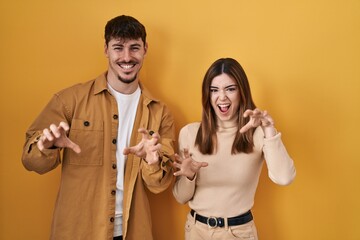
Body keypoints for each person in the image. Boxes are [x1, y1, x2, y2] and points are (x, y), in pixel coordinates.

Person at [21, 15, 175, 240]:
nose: (126, 57)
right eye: (118, 48)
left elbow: (159, 185)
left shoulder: (160, 113)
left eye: (134, 48)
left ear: (145, 49)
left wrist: (152, 162)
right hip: (79, 230)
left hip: (133, 232)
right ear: (106, 49)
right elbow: (30, 161)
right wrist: (46, 147)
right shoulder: (69, 101)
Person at [172, 58, 296, 240]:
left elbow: (284, 177)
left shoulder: (258, 133)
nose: (222, 97)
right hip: (196, 231)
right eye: (214, 90)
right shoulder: (190, 133)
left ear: (242, 92)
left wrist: (269, 130)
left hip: (238, 233)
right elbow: (181, 197)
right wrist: (189, 176)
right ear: (208, 95)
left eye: (230, 89)